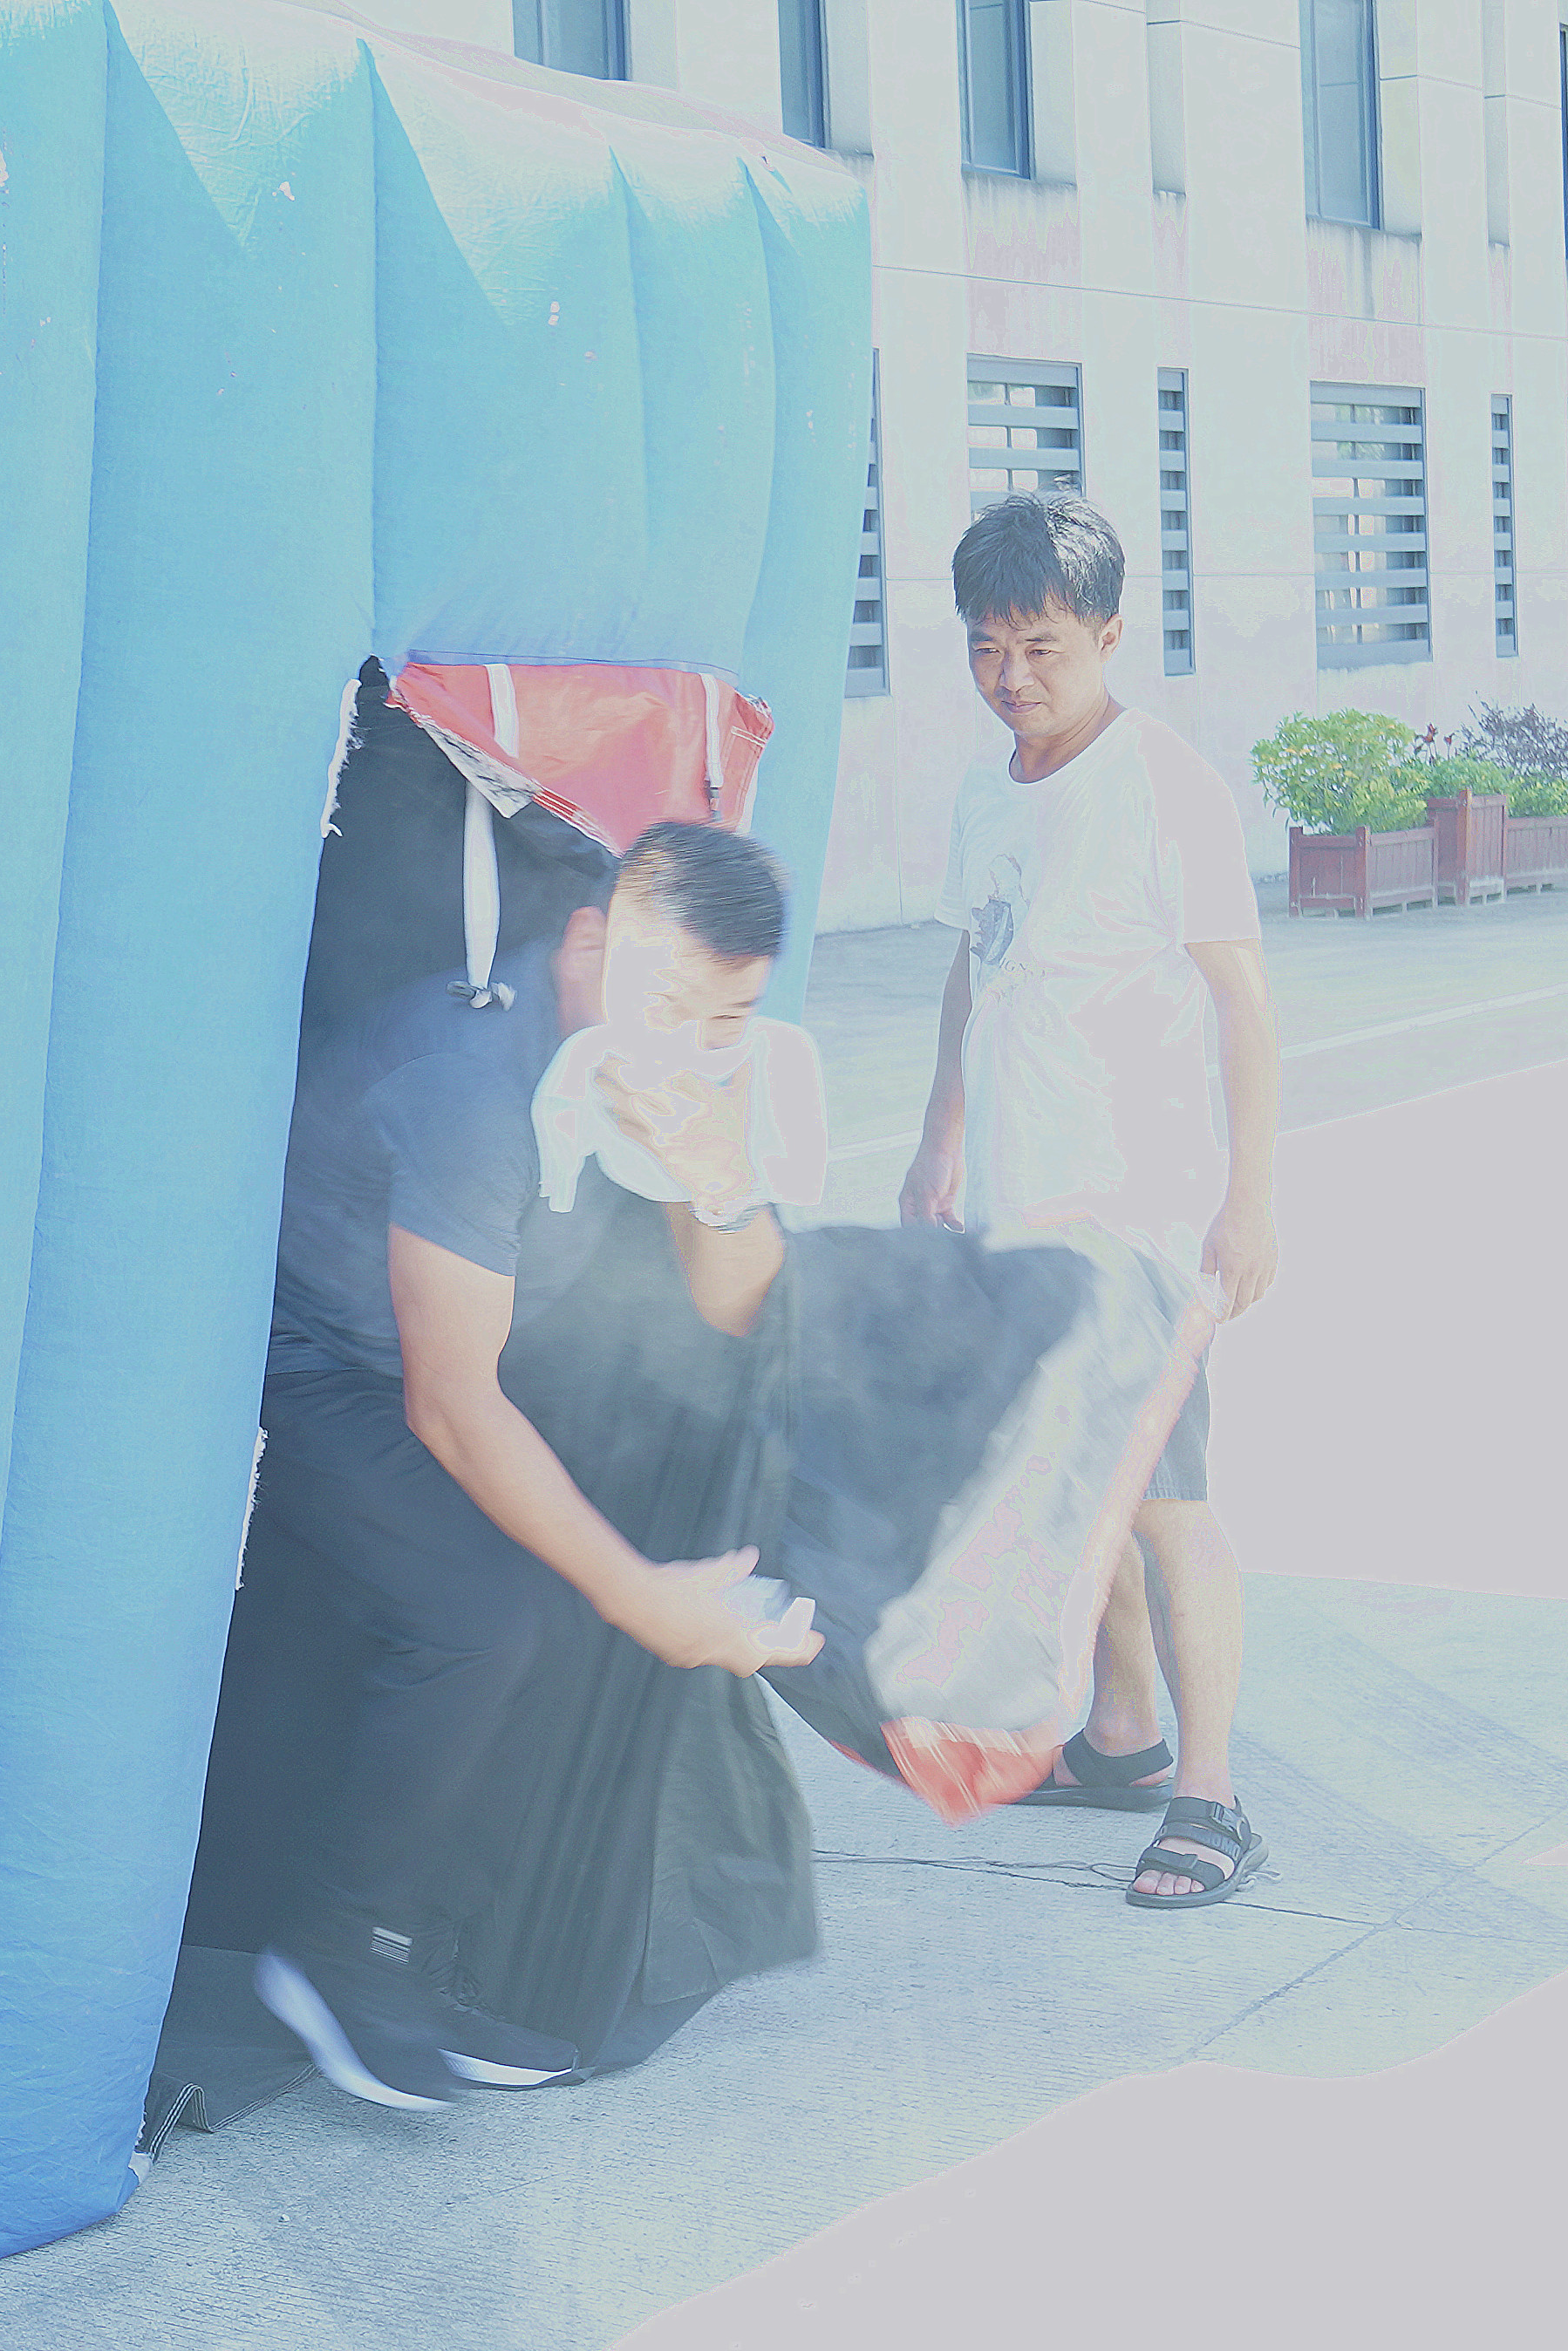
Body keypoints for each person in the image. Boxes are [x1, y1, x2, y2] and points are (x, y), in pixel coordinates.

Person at [235, 821, 826, 2110]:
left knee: (636, 1531)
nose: (691, 1046)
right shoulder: (474, 1086)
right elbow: (450, 1405)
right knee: (493, 1614)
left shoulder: (677, 1066)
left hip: (463, 1355)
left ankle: (440, 1948)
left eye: (729, 1019)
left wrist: (718, 1182)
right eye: (668, 1006)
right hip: (312, 1363)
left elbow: (736, 1305)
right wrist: (639, 1595)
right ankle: (335, 1949)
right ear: (588, 946)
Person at [901, 489, 1285, 1909]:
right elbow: (977, 963)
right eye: (987, 647)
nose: (1012, 677)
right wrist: (939, 1139)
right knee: (1079, 1485)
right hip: (1020, 1207)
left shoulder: (1165, 787)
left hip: (1139, 1213)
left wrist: (1250, 1202)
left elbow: (1244, 1004)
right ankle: (1120, 1735)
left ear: (1111, 636)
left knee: (1167, 1499)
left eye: (1043, 648)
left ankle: (1213, 1794)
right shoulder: (987, 791)